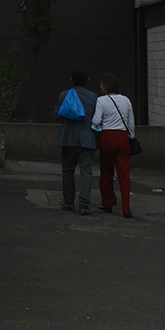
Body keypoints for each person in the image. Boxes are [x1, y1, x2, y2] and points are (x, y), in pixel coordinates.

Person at [55, 69, 99, 215]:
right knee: (86, 171)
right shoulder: (93, 97)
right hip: (87, 139)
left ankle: (68, 201)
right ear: (87, 80)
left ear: (71, 80)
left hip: (68, 138)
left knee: (68, 171)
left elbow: (58, 114)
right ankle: (84, 204)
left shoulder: (64, 95)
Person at [92, 73, 136, 219]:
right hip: (123, 138)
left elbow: (97, 121)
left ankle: (108, 203)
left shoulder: (101, 100)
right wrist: (131, 137)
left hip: (107, 137)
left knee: (106, 172)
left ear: (105, 86)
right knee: (124, 174)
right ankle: (126, 209)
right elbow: (130, 123)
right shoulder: (126, 100)